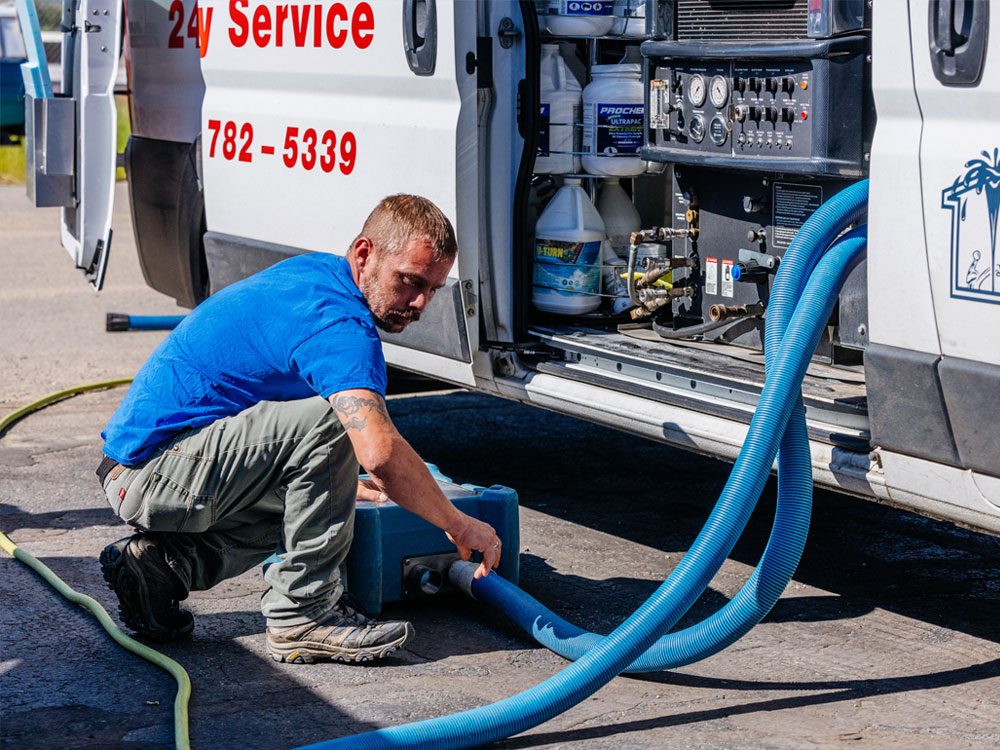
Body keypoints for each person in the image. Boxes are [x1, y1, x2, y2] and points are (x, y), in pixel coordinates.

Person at [96, 194, 502, 664]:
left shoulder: (317, 278)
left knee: (324, 488)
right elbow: (380, 452)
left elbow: (292, 438)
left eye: (433, 289)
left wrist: (338, 483)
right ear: (365, 254)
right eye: (409, 281)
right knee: (339, 423)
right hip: (154, 472)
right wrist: (459, 523)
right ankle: (304, 615)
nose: (419, 303)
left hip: (148, 469)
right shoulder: (341, 326)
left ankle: (162, 567)